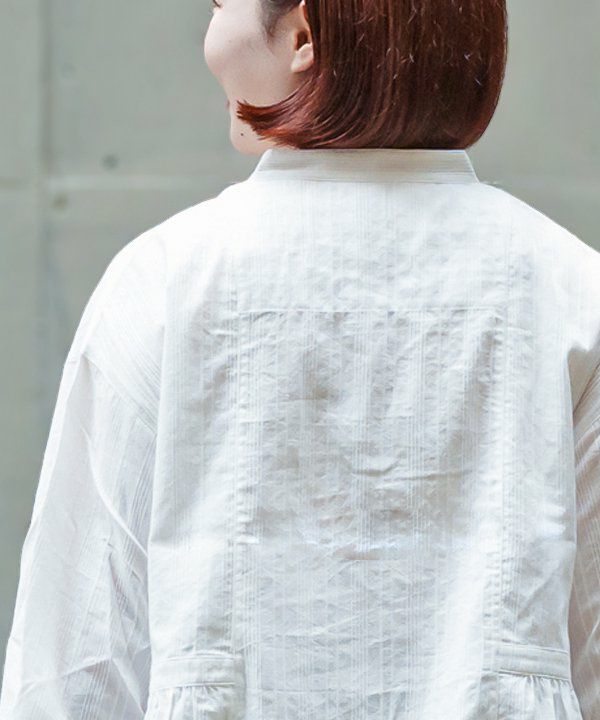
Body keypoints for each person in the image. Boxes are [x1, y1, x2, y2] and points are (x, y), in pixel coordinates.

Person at [0, 0, 598, 718]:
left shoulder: (167, 280)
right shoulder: (571, 288)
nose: (209, 37)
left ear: (304, 34)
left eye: (221, 4)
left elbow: (77, 663)